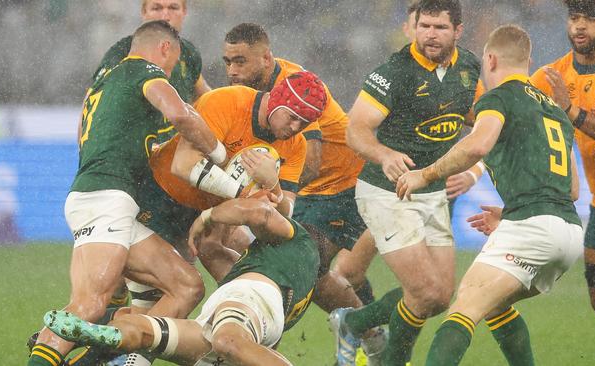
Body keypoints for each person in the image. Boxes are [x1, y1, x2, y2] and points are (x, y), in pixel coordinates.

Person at [27, 20, 222, 366]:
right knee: (88, 305)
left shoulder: (107, 80)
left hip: (111, 200)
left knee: (186, 285)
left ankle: (116, 358)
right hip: (105, 198)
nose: (171, 71)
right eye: (173, 62)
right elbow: (180, 113)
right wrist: (220, 156)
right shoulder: (142, 70)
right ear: (165, 49)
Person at [396, 24, 583, 365]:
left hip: (534, 228)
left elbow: (478, 143)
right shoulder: (557, 112)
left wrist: (425, 174)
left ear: (491, 59)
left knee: (465, 305)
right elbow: (572, 189)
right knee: (495, 305)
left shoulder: (497, 98)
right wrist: (511, 212)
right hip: (568, 233)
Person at [221, 23, 389, 364]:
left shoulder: (295, 87)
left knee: (300, 262)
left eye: (240, 61)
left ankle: (263, 345)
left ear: (266, 58)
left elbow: (310, 163)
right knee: (309, 266)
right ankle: (369, 331)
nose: (232, 71)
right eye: (227, 62)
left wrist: (268, 180)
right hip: (306, 190)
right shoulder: (246, 93)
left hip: (343, 184)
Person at [329, 1, 482, 365]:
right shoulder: (394, 72)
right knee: (423, 291)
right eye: (425, 26)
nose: (430, 34)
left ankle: (353, 322)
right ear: (414, 28)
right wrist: (384, 155)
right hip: (387, 192)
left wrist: (474, 171)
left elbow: (484, 122)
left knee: (440, 296)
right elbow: (356, 129)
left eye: (440, 28)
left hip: (432, 192)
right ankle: (390, 359)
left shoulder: (469, 67)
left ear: (458, 31)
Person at [42, 195, 320, 366]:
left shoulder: (298, 239)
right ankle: (103, 337)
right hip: (232, 322)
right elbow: (212, 250)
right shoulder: (291, 279)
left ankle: (101, 335)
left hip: (243, 301)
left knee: (226, 341)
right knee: (147, 331)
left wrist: (207, 216)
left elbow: (260, 213)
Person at [148, 70, 326, 280]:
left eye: (304, 123)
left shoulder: (296, 146)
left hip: (204, 209)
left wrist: (272, 183)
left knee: (199, 271)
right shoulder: (227, 101)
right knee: (181, 289)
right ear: (276, 100)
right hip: (156, 193)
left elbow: (285, 215)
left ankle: (246, 307)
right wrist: (246, 193)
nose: (296, 128)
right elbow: (183, 165)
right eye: (293, 117)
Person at [530, 0, 595, 348]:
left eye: (589, 19)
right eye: (574, 18)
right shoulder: (553, 76)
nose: (578, 26)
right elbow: (512, 116)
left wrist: (571, 110)